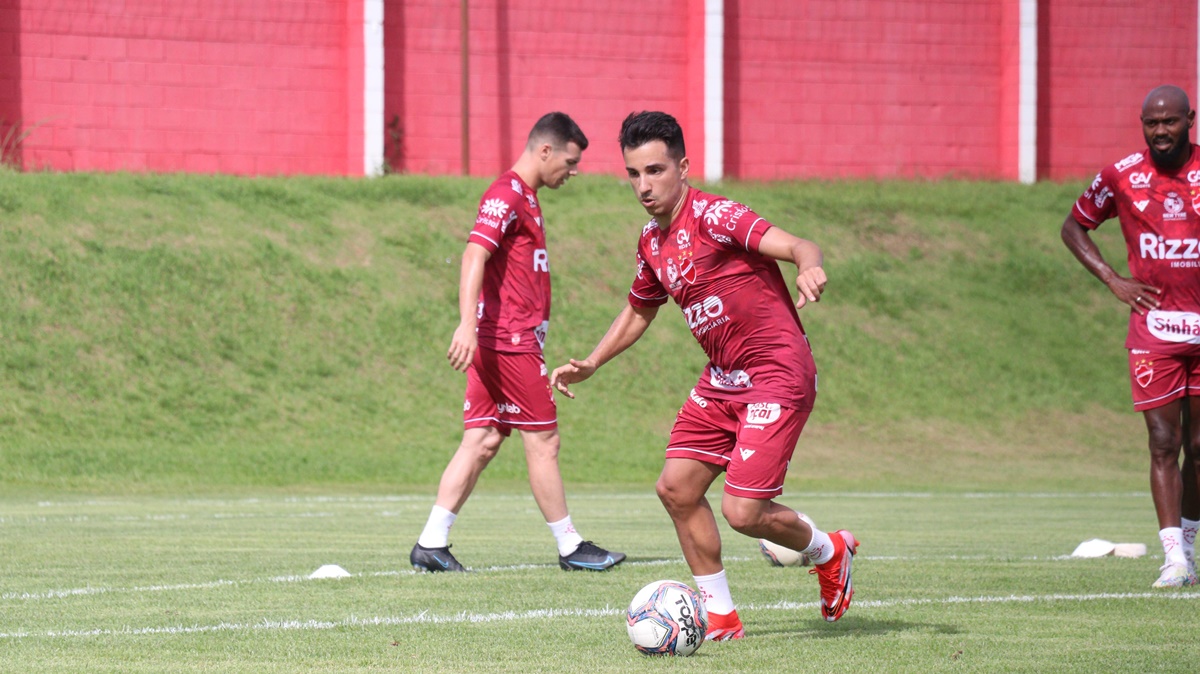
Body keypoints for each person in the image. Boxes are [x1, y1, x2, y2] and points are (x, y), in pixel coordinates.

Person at [550, 111, 858, 639]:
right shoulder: (652, 242)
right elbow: (639, 310)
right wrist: (593, 361)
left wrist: (809, 264)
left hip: (776, 372)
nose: (644, 186)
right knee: (676, 489)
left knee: (742, 511)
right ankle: (721, 616)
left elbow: (797, 245)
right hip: (722, 378)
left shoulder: (717, 216)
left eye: (654, 170)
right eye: (633, 174)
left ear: (683, 167)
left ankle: (830, 551)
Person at [410, 112, 625, 573]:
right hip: (509, 341)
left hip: (501, 339)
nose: (572, 171)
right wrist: (466, 322)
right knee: (543, 440)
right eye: (569, 161)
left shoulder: (524, 196)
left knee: (483, 439)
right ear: (544, 150)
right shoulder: (507, 193)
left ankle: (431, 542)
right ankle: (571, 547)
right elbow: (474, 253)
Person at [1061, 84, 1200, 588]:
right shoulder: (1121, 175)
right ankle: (1174, 559)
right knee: (1163, 441)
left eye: (1170, 121)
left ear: (1190, 118)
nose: (1161, 131)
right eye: (1151, 123)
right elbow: (1074, 226)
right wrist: (1112, 278)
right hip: (1154, 329)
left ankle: (1188, 543)